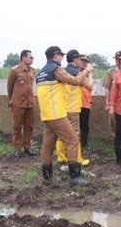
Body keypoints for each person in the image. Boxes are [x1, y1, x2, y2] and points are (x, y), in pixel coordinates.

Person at [36, 46, 93, 185]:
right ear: (55, 56)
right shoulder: (56, 69)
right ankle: (75, 177)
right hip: (57, 114)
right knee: (73, 140)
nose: (62, 57)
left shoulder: (41, 73)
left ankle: (47, 177)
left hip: (47, 115)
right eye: (60, 55)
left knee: (47, 146)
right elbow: (75, 81)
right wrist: (86, 71)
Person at [55, 49, 90, 171]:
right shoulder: (77, 74)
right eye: (80, 59)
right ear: (75, 60)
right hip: (73, 109)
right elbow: (90, 87)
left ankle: (61, 157)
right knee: (74, 135)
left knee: (61, 134)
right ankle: (77, 159)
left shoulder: (62, 71)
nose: (81, 61)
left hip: (62, 108)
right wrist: (88, 72)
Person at [7, 49, 36, 158]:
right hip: (18, 103)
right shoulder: (15, 71)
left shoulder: (32, 71)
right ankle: (17, 148)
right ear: (24, 58)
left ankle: (27, 147)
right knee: (17, 126)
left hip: (30, 103)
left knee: (29, 126)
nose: (32, 59)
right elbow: (9, 87)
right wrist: (11, 99)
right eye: (31, 57)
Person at [102, 50, 121, 140]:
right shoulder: (111, 72)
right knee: (113, 122)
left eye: (119, 59)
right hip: (114, 102)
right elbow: (107, 88)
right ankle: (116, 140)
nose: (117, 61)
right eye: (116, 59)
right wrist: (107, 104)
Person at [79, 54, 93, 151]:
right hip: (75, 103)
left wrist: (90, 74)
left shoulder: (88, 75)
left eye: (86, 62)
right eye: (82, 61)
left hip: (86, 103)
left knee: (85, 126)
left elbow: (90, 87)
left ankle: (84, 143)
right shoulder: (76, 73)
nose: (84, 63)